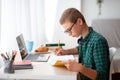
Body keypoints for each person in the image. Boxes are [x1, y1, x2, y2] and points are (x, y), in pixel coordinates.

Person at [54, 8, 110, 80]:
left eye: (69, 30)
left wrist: (80, 68)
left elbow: (103, 76)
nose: (69, 34)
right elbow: (80, 48)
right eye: (66, 31)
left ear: (79, 21)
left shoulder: (98, 42)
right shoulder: (85, 38)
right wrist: (65, 51)